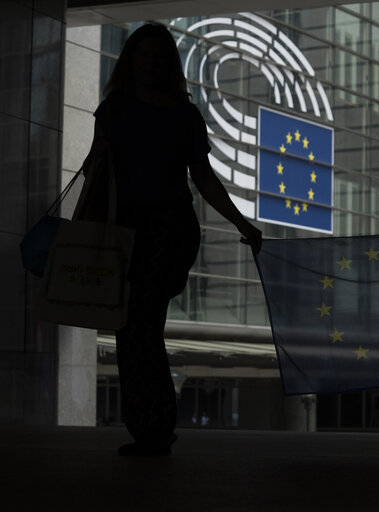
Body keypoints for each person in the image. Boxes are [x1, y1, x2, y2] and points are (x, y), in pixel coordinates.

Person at [82, 23, 262, 456]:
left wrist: (242, 223)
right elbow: (92, 170)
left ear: (168, 64)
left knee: (141, 323)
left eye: (156, 57)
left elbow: (203, 178)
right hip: (123, 231)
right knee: (131, 327)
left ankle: (156, 427)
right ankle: (147, 427)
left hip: (168, 229)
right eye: (142, 56)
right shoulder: (113, 111)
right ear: (131, 60)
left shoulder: (184, 115)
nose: (149, 63)